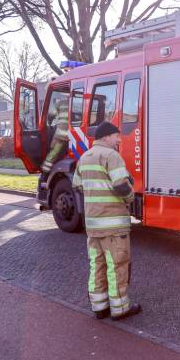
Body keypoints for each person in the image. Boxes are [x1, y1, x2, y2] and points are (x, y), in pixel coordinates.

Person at [72, 121, 141, 321]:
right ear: (106, 137)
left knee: (97, 265)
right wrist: (129, 197)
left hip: (93, 225)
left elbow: (77, 186)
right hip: (113, 225)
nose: (119, 140)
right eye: (116, 136)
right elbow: (121, 185)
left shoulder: (84, 157)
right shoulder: (111, 156)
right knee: (117, 264)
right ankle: (120, 308)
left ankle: (99, 307)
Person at [42, 101, 70, 175]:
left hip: (61, 133)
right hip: (74, 134)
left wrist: (49, 122)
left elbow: (51, 114)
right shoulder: (77, 102)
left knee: (54, 152)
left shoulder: (60, 104)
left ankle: (45, 170)